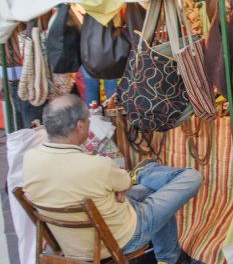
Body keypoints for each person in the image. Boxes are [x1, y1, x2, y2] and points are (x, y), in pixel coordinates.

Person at [22, 95, 202, 264]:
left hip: (70, 243)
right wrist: (123, 183)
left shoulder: (29, 159)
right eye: (88, 121)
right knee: (191, 177)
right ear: (79, 126)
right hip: (120, 238)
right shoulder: (96, 166)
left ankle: (168, 257)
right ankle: (143, 172)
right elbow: (125, 182)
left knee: (149, 191)